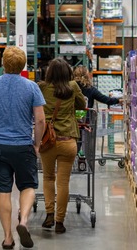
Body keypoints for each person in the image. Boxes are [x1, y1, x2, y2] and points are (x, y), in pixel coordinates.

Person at [0, 46, 46, 249]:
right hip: (23, 145)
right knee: (28, 186)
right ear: (23, 64)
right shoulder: (32, 87)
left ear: (3, 64)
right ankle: (24, 221)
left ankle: (8, 237)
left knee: (3, 191)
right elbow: (40, 120)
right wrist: (36, 144)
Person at [38, 58, 87, 234]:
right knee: (63, 182)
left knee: (48, 178)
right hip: (68, 141)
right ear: (68, 72)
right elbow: (82, 105)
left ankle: (49, 214)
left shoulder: (42, 87)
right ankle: (60, 221)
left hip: (48, 141)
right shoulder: (73, 86)